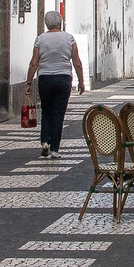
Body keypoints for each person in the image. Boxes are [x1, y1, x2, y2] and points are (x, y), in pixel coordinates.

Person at [25, 11, 86, 158]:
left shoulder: (40, 39)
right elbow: (77, 63)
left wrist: (28, 82)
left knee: (46, 111)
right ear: (60, 22)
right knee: (58, 113)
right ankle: (55, 149)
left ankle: (45, 142)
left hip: (45, 79)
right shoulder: (69, 39)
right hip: (63, 79)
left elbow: (34, 63)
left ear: (47, 23)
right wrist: (81, 81)